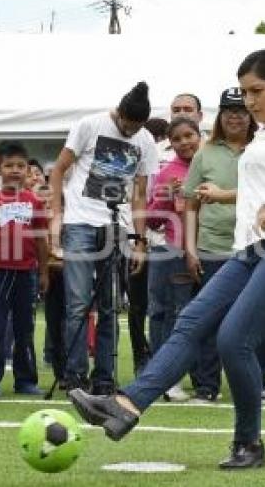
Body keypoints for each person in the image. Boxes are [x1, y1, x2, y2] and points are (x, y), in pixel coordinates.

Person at [69, 49, 265, 470]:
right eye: (245, 93)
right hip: (253, 251)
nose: (250, 102)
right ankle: (125, 404)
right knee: (192, 323)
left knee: (235, 339)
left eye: (258, 91)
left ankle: (248, 444)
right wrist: (244, 216)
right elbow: (261, 188)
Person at [48, 82, 157, 395]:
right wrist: (57, 215)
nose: (130, 131)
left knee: (110, 305)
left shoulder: (146, 140)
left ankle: (105, 376)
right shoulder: (89, 125)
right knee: (78, 303)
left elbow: (139, 194)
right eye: (126, 125)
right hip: (80, 222)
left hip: (116, 227)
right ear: (118, 113)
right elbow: (58, 170)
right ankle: (75, 374)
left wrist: (139, 240)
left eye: (137, 127)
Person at [183, 88, 257, 404]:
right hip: (211, 246)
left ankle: (258, 384)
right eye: (228, 110)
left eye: (240, 110)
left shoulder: (261, 149)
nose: (235, 116)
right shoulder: (205, 152)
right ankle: (206, 386)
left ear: (251, 114)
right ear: (220, 115)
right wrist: (190, 248)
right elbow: (189, 206)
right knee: (209, 319)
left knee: (253, 319)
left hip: (253, 246)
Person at [0, 140, 49, 397]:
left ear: (28, 169)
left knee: (25, 327)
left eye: (21, 165)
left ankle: (26, 380)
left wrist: (43, 271)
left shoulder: (35, 201)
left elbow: (42, 238)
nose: (15, 170)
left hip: (26, 272)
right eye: (9, 165)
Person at [145, 117, 202, 401]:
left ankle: (204, 380)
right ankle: (165, 378)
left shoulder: (210, 165)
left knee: (200, 316)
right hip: (172, 251)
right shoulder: (166, 172)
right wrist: (165, 198)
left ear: (199, 134)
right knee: (166, 313)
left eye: (188, 135)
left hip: (212, 249)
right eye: (177, 139)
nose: (184, 143)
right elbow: (151, 220)